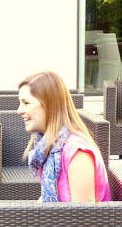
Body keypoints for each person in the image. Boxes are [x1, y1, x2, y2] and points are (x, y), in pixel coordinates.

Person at [17, 71, 111, 203]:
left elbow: (83, 213)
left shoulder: (77, 152)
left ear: (49, 105)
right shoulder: (48, 145)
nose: (19, 111)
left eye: (26, 103)